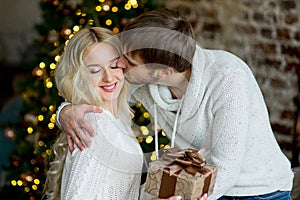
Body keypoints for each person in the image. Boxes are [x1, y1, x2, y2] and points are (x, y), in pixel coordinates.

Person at [56, 8, 294, 200]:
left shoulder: (228, 78)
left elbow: (226, 170)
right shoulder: (140, 77)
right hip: (195, 187)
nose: (118, 65)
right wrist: (65, 111)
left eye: (127, 60)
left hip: (259, 191)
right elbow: (101, 100)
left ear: (163, 72)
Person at [44, 27, 144, 200]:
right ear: (78, 76)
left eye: (114, 65)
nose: (109, 77)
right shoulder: (97, 125)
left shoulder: (115, 119)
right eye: (95, 70)